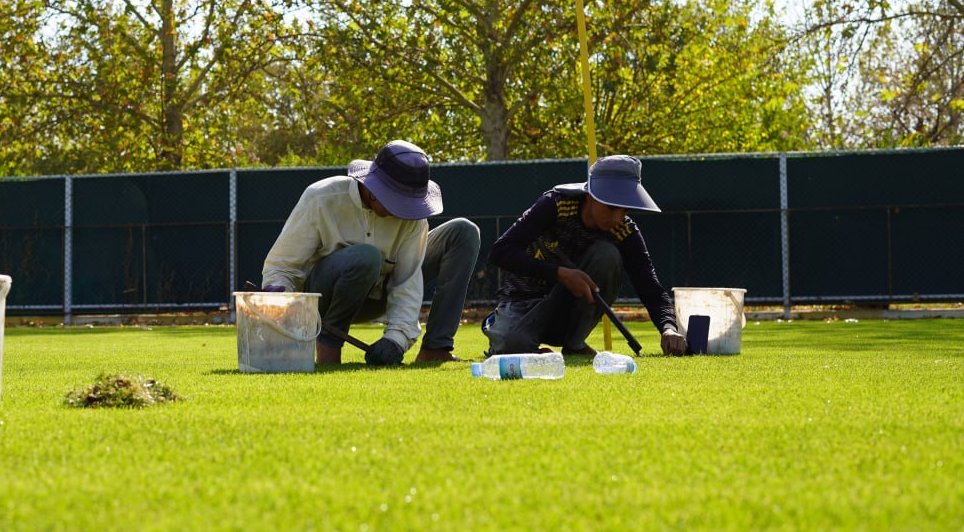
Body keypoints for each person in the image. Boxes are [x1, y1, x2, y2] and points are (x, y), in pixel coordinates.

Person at [261, 140, 481, 366]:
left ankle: (436, 349)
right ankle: (329, 348)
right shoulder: (321, 198)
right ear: (373, 188)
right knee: (367, 257)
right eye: (397, 200)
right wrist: (279, 298)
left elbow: (407, 282)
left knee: (463, 232)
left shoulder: (412, 217)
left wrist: (396, 340)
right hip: (322, 299)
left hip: (378, 295)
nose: (402, 209)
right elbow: (281, 266)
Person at [482, 154, 689, 357]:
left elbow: (649, 285)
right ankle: (517, 340)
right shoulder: (555, 205)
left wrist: (668, 328)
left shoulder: (624, 231)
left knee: (607, 254)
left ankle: (575, 344)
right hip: (522, 305)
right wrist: (560, 274)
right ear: (591, 196)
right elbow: (501, 251)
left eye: (624, 210)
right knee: (511, 348)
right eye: (611, 207)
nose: (618, 218)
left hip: (567, 315)